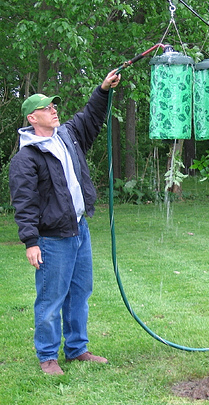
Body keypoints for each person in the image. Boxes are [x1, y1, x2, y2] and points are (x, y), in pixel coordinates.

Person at [9, 70, 121, 375]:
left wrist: (102, 89)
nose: (54, 110)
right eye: (47, 108)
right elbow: (24, 203)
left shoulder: (67, 136)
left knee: (79, 292)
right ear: (32, 118)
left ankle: (76, 349)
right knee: (50, 298)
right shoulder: (26, 158)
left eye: (54, 106)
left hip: (79, 229)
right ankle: (47, 355)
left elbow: (90, 117)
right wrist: (31, 241)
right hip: (52, 238)